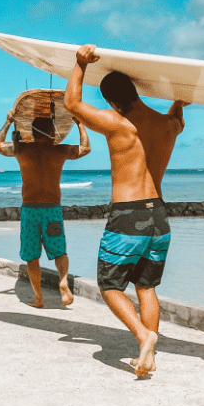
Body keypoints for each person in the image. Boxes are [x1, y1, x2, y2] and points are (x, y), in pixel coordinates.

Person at [64, 46, 186, 377]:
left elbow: (72, 104)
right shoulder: (166, 126)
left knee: (110, 285)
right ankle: (148, 356)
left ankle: (143, 336)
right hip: (159, 217)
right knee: (146, 288)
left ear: (113, 102)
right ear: (134, 92)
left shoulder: (117, 124)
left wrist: (79, 64)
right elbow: (177, 122)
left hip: (128, 216)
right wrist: (177, 103)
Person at [0, 109, 91, 308]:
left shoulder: (22, 150)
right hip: (52, 209)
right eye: (54, 129)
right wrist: (80, 124)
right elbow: (85, 148)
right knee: (59, 252)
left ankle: (38, 298)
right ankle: (63, 282)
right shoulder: (60, 150)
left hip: (30, 210)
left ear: (33, 132)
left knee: (31, 256)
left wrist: (8, 121)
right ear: (51, 132)